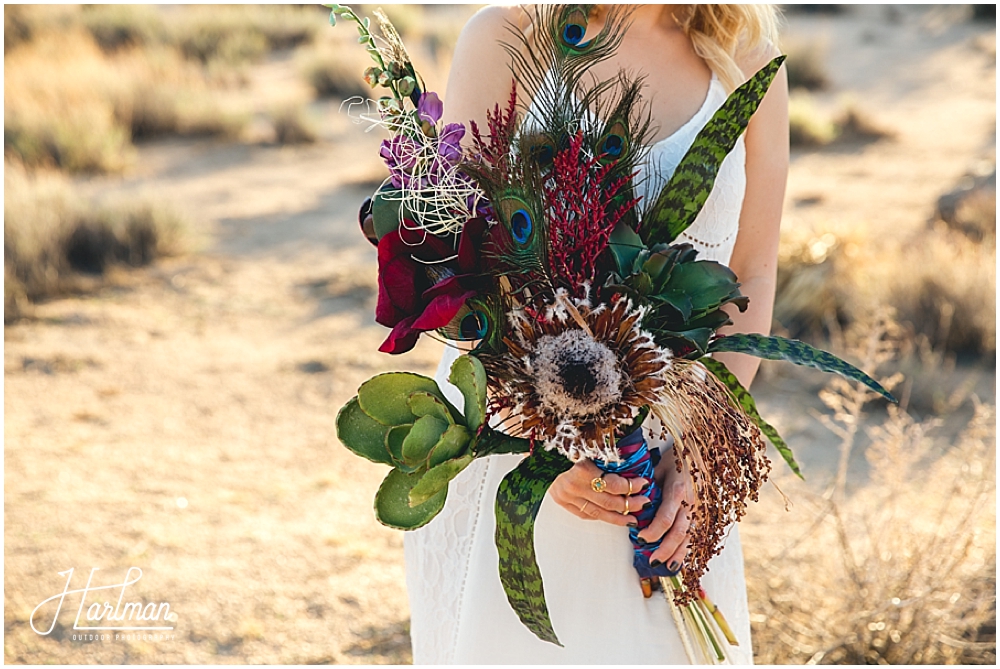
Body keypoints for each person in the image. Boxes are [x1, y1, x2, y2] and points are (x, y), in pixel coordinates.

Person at [403, 4, 788, 663]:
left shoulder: (744, 57)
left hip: (674, 458)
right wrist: (541, 447)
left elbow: (751, 268)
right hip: (519, 439)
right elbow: (458, 261)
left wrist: (699, 451)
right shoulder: (510, 38)